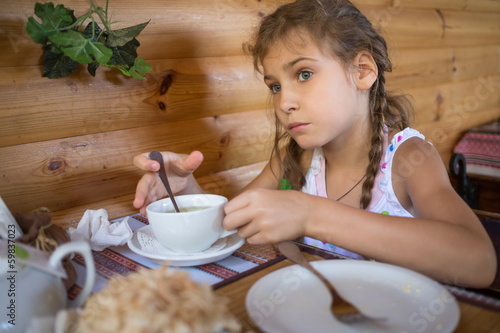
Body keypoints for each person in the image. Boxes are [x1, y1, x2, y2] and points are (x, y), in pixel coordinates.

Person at [133, 0, 496, 288]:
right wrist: (188, 191)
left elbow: (479, 262)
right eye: (275, 85)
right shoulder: (294, 159)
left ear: (363, 71)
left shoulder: (408, 157)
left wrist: (311, 214)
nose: (283, 102)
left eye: (303, 74)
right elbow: (233, 225)